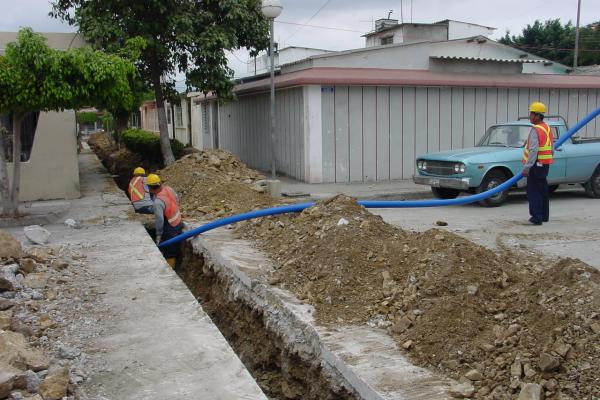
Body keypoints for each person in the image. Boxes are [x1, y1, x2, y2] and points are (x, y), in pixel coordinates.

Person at [522, 101, 553, 225]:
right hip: (544, 164)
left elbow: (533, 149)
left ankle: (536, 217)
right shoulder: (547, 128)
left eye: (531, 114)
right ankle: (544, 216)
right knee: (542, 190)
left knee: (534, 191)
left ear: (537, 115)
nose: (530, 116)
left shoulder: (536, 129)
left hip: (535, 165)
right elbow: (551, 147)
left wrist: (527, 167)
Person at [146, 174, 183, 268]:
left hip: (171, 226)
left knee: (169, 250)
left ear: (149, 187)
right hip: (178, 221)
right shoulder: (168, 189)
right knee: (176, 246)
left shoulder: (158, 202)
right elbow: (177, 199)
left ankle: (172, 269)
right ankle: (177, 263)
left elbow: (160, 220)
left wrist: (158, 235)